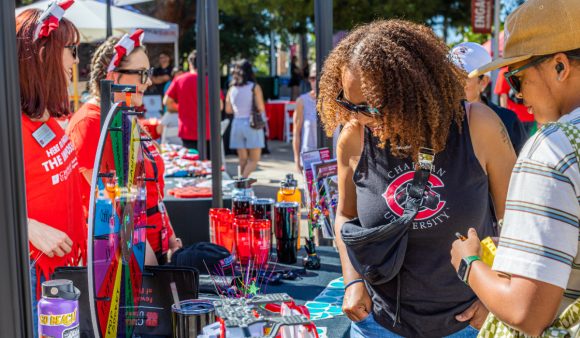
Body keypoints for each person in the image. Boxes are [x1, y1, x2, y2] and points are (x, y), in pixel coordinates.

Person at [318, 20, 516, 337]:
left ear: (412, 91)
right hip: (378, 325)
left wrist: (496, 296)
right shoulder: (355, 137)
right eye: (349, 104)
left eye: (371, 107)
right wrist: (353, 280)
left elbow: (518, 220)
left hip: (466, 325)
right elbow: (346, 215)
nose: (360, 118)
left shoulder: (478, 126)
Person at [451, 0, 580, 336]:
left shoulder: (552, 151)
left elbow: (526, 312)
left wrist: (469, 264)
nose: (518, 96)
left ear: (560, 67)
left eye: (517, 79)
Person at [66, 31, 181, 265]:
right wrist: (145, 257)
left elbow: (151, 189)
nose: (148, 82)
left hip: (152, 249)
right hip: (125, 264)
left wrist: (169, 237)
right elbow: (111, 205)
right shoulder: (90, 123)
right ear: (114, 76)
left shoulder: (123, 114)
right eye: (142, 74)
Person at [16, 2, 86, 334]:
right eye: (70, 50)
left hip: (63, 269)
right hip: (33, 274)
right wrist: (25, 225)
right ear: (42, 54)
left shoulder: (41, 114)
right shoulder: (9, 121)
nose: (75, 60)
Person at [450, 42, 528, 154]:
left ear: (483, 82)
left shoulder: (507, 121)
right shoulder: (436, 120)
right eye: (450, 73)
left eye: (463, 76)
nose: (454, 81)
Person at [164, 50, 224, 155]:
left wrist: (180, 108)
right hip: (209, 131)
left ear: (190, 63)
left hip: (187, 131)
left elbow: (167, 101)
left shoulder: (180, 80)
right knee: (208, 166)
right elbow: (220, 106)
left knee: (191, 165)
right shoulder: (212, 80)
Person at [225, 60, 266, 178]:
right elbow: (260, 107)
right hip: (252, 124)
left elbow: (228, 110)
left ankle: (242, 186)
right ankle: (242, 181)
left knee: (242, 159)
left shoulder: (232, 88)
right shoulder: (254, 87)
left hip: (237, 124)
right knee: (254, 160)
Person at [495, 67, 536, 134]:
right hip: (519, 116)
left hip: (525, 116)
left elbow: (503, 95)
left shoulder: (504, 72)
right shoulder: (530, 68)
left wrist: (504, 115)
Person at [293, 63, 318, 172]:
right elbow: (296, 132)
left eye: (319, 77)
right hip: (310, 158)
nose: (315, 81)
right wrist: (297, 159)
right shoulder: (302, 101)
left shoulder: (336, 101)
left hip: (333, 158)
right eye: (312, 78)